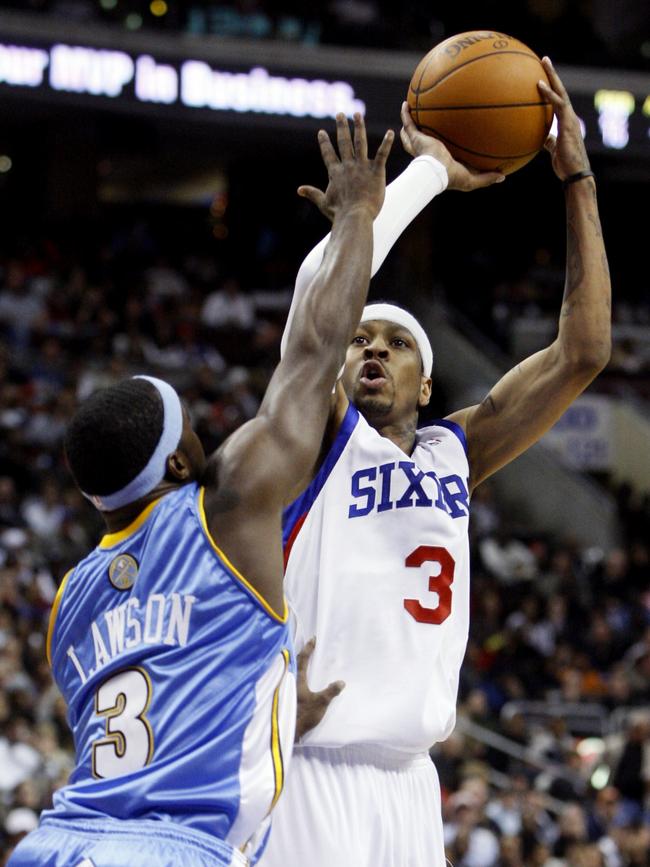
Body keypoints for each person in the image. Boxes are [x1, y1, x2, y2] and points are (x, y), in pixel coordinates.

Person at [8, 113, 394, 867]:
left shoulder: (70, 602)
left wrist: (280, 714)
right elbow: (316, 354)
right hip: (169, 851)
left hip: (55, 843)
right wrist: (357, 215)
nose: (207, 438)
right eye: (192, 432)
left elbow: (157, 703)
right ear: (180, 466)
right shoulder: (227, 505)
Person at [261, 57, 611, 867]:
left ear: (427, 382)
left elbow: (585, 349)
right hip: (312, 764)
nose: (371, 349)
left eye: (394, 342)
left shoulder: (458, 448)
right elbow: (316, 314)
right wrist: (424, 177)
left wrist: (578, 178)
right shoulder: (317, 438)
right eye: (359, 341)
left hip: (413, 781)